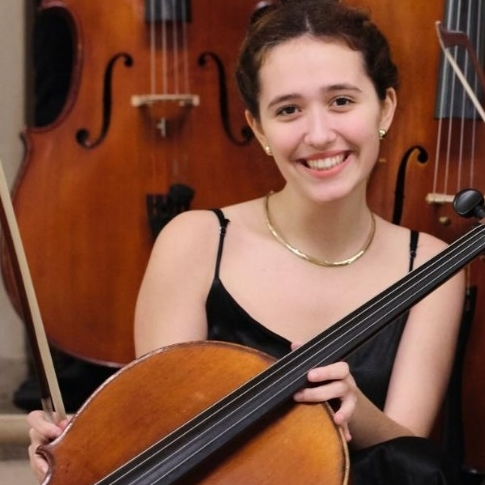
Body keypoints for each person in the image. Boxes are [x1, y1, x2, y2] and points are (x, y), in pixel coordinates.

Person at [27, 1, 465, 483]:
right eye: (288, 110)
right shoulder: (195, 242)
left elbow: (409, 461)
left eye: (341, 101)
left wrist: (356, 410)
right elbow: (157, 428)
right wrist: (83, 445)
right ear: (258, 128)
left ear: (385, 107)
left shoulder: (431, 264)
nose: (319, 134)